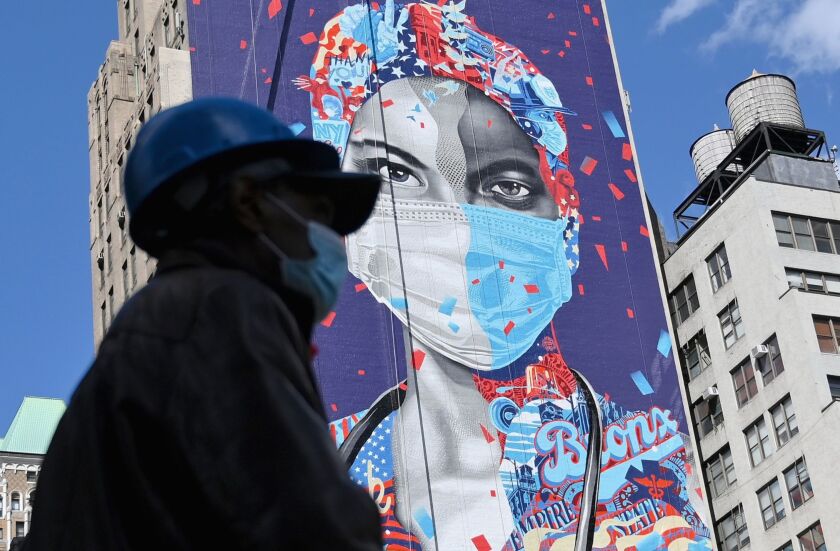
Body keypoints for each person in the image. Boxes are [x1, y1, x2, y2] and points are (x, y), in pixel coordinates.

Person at [297, 2, 713, 550]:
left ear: (564, 220)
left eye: (506, 185)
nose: (459, 231)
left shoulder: (651, 466)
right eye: (394, 173)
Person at [23, 98, 384, 550]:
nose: (332, 240)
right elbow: (309, 526)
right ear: (248, 203)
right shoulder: (219, 310)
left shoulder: (165, 322)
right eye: (320, 212)